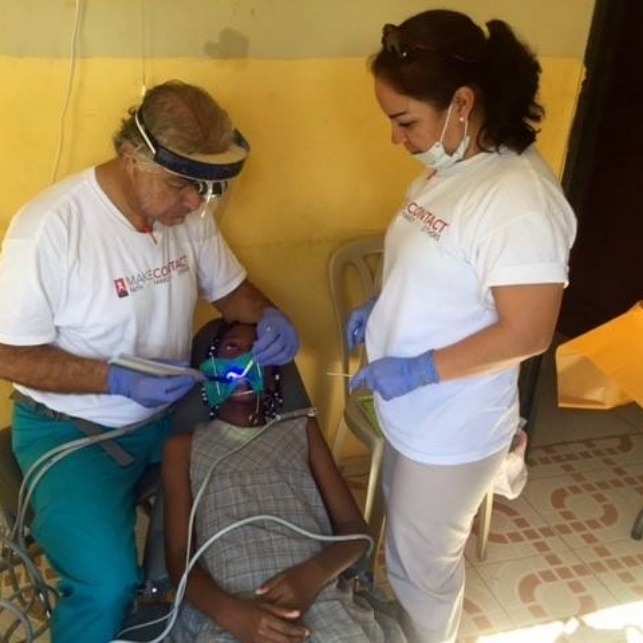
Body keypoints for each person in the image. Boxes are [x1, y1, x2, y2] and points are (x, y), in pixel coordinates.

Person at [0, 80, 299, 642]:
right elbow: (8, 354)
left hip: (168, 415)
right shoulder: (50, 230)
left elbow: (234, 293)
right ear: (132, 157)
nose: (195, 204)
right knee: (108, 583)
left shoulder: (189, 216)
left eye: (207, 190)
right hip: (72, 432)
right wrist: (109, 378)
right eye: (183, 186)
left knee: (246, 511)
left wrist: (271, 317)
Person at [346, 10, 577, 643]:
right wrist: (382, 309)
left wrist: (418, 368)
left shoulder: (518, 198)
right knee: (408, 551)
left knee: (422, 571)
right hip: (416, 415)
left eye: (404, 121)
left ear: (462, 103)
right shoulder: (456, 170)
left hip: (452, 426)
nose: (397, 139)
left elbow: (527, 332)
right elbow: (444, 271)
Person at [162, 321, 406, 642]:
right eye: (233, 348)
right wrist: (230, 614)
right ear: (209, 368)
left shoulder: (301, 430)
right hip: (232, 610)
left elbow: (356, 534)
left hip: (320, 598)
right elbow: (179, 558)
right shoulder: (184, 448)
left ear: (275, 375)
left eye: (258, 353)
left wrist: (313, 576)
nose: (245, 361)